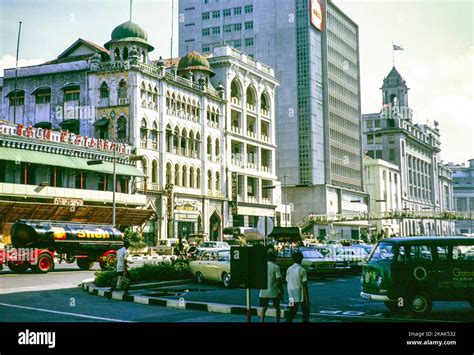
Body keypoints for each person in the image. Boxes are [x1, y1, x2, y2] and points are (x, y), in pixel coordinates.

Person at [259, 251, 284, 322]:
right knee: (277, 307)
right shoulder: (276, 267)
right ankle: (278, 321)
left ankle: (262, 321)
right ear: (274, 259)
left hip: (263, 291)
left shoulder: (262, 266)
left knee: (264, 308)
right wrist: (281, 289)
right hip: (274, 291)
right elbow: (279, 280)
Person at [285, 251, 310, 322]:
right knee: (305, 310)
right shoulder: (302, 270)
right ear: (301, 260)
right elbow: (305, 285)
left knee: (292, 310)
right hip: (300, 293)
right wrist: (307, 298)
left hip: (290, 293)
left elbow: (287, 280)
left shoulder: (289, 269)